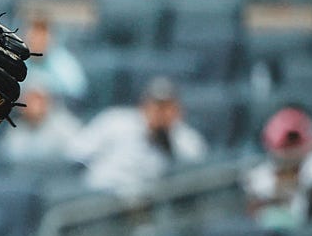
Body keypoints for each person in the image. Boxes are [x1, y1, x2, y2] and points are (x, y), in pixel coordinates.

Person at [69, 76, 209, 200]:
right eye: (156, 106)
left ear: (178, 110)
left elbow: (196, 170)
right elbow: (76, 151)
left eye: (167, 107)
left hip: (147, 206)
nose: (160, 113)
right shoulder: (116, 120)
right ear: (143, 105)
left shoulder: (185, 139)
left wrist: (167, 140)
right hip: (98, 196)